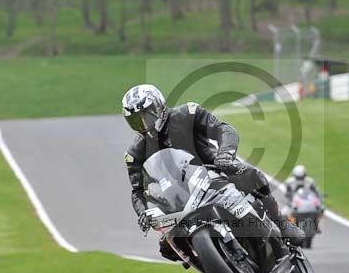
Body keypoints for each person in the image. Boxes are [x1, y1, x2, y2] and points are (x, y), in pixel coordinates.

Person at [122, 84, 303, 260]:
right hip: (176, 200)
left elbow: (223, 129)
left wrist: (225, 155)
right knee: (167, 248)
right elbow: (137, 191)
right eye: (136, 120)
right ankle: (212, 266)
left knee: (252, 176)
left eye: (147, 115)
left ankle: (280, 222)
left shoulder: (187, 114)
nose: (144, 124)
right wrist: (143, 213)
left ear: (159, 105)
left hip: (212, 171)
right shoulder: (134, 153)